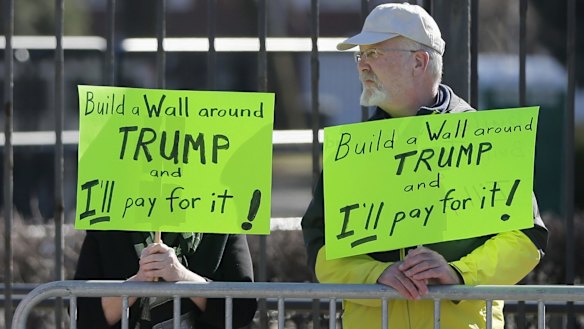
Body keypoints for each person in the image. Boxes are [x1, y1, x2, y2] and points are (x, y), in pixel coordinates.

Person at [301, 3, 548, 329]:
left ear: (419, 61)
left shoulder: (484, 137)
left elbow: (526, 238)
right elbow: (320, 246)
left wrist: (459, 273)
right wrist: (376, 275)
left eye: (373, 54)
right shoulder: (352, 150)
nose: (362, 66)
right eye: (360, 56)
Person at [74, 231, 257, 329]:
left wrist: (182, 276)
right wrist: (137, 282)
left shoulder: (222, 225)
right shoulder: (106, 228)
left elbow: (241, 310)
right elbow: (82, 314)